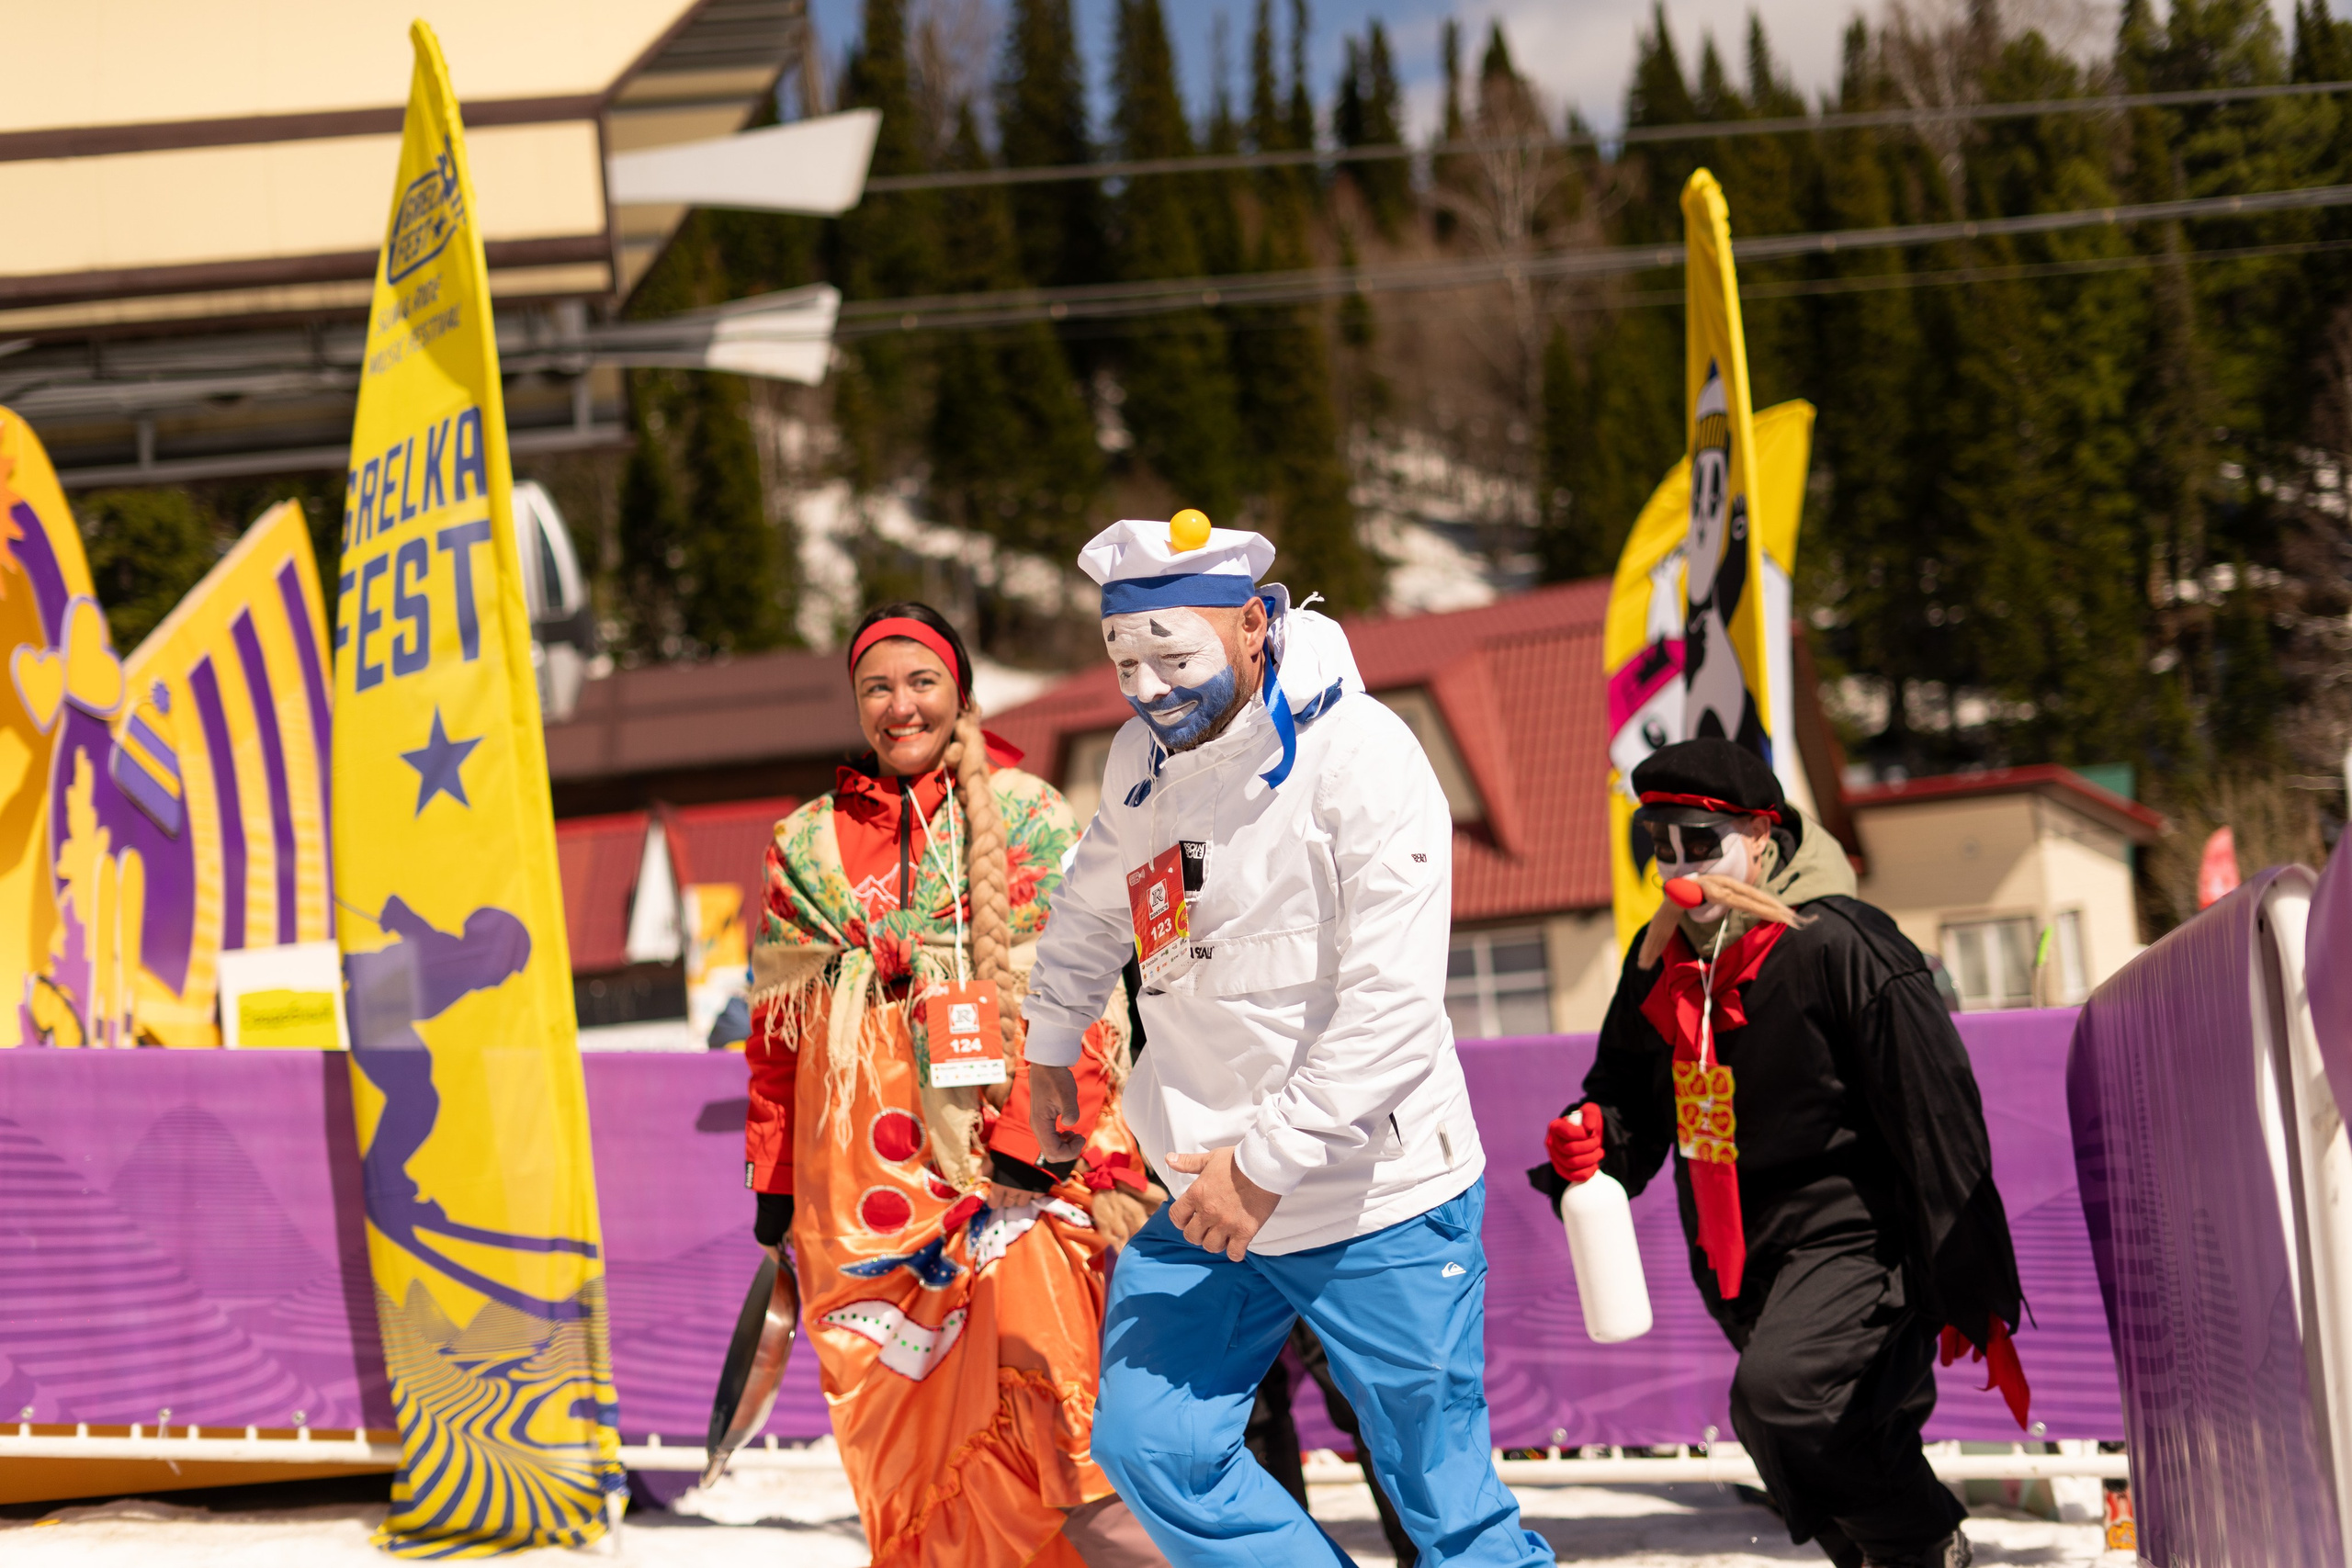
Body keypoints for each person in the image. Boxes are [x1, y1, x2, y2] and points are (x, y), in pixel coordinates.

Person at [1020, 514, 1553, 1567]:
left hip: (1372, 1192)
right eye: (1124, 660)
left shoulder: (1362, 755)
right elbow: (1087, 911)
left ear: (1254, 624)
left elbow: (1392, 1007)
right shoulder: (1139, 761)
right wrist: (1047, 1047)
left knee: (1446, 1506)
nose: (1147, 686)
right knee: (1152, 1445)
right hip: (1209, 1195)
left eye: (1172, 655)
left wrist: (1262, 1169)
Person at [1532, 738, 2029, 1568]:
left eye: (1702, 843)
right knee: (1815, 1432)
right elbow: (1625, 1092)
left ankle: (1926, 1545)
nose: (1679, 869)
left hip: (1853, 1239)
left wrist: (1961, 1273)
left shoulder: (1840, 943)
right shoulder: (1662, 956)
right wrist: (1589, 1139)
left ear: (1763, 836)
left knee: (1781, 1401)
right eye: (1663, 845)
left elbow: (1935, 1112)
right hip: (1737, 1249)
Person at [743, 601, 1168, 1568]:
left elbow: (1087, 997)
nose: (900, 707)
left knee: (1068, 1442)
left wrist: (1032, 1142)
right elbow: (776, 1041)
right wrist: (773, 1187)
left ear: (961, 692)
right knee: (909, 1475)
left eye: (920, 681)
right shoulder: (799, 845)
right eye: (876, 688)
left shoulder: (1025, 815)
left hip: (1019, 1185)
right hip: (858, 1215)